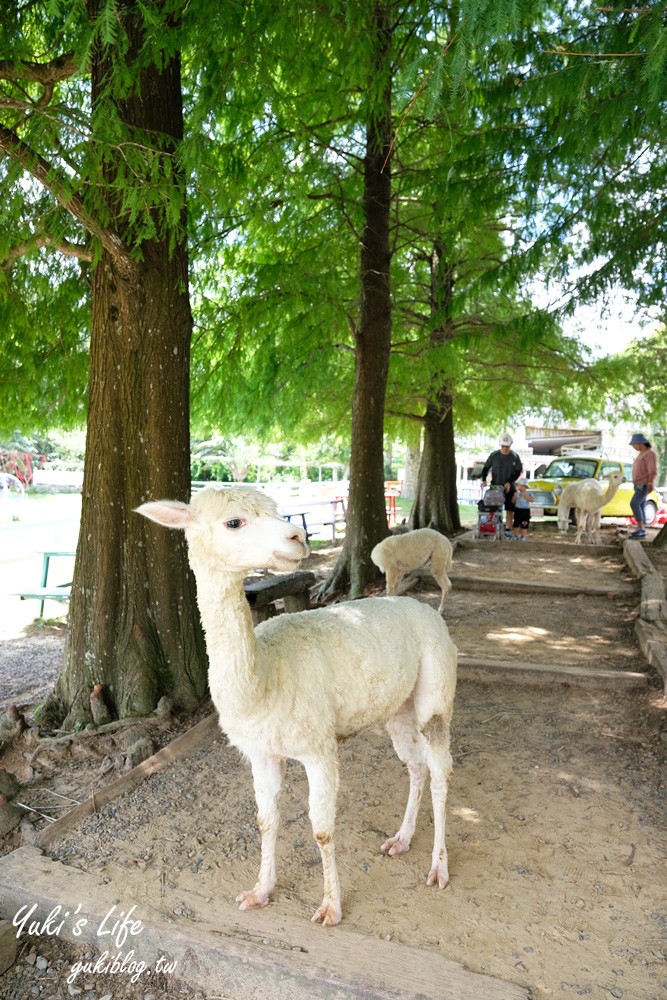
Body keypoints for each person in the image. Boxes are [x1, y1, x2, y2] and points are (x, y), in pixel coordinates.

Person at [481, 433, 523, 536]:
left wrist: (509, 482)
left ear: (510, 445)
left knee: (510, 509)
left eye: (507, 446)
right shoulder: (494, 455)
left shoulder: (514, 456)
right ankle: (492, 527)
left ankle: (508, 530)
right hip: (495, 486)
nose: (504, 448)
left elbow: (518, 471)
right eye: (503, 446)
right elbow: (485, 468)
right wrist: (483, 479)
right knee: (492, 508)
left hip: (509, 487)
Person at [628, 432, 657, 539]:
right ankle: (642, 529)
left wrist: (650, 482)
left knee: (634, 503)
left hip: (643, 484)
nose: (634, 447)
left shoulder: (649, 454)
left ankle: (640, 528)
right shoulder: (641, 454)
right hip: (638, 484)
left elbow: (652, 470)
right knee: (640, 505)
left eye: (634, 445)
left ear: (640, 443)